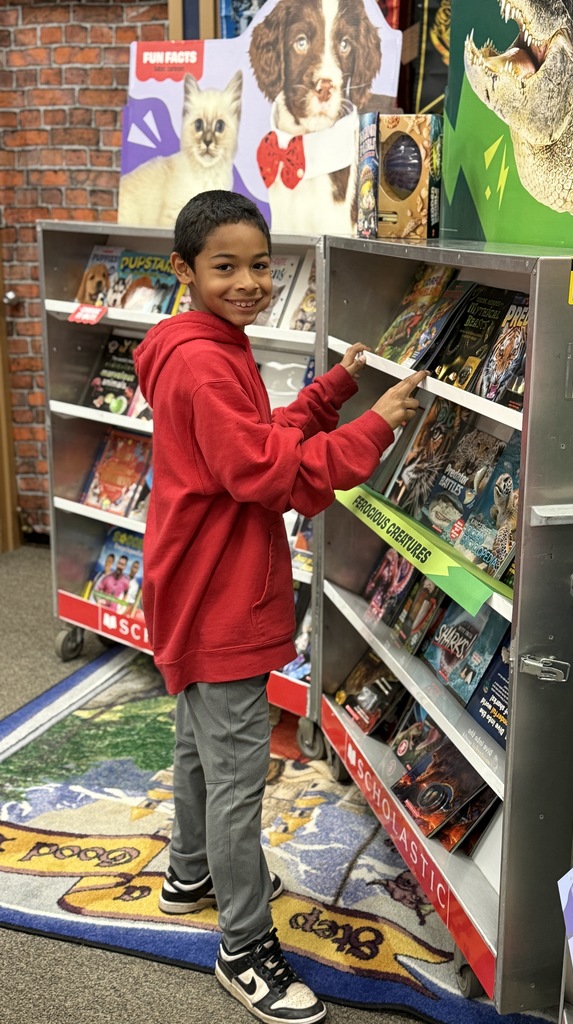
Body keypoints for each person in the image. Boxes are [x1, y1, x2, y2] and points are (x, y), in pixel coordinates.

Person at [133, 189, 426, 1024]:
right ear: (185, 271)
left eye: (260, 265)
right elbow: (263, 473)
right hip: (218, 594)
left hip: (195, 583)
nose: (250, 282)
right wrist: (371, 431)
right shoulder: (200, 360)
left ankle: (191, 872)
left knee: (199, 743)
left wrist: (330, 393)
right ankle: (243, 947)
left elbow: (256, 437)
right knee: (235, 779)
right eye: (225, 267)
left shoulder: (206, 347)